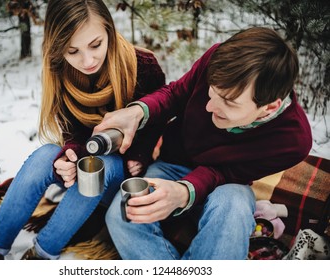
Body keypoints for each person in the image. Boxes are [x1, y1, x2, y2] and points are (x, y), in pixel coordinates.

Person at [94, 27, 313, 259]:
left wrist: (185, 191)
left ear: (268, 107)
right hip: (171, 164)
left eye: (228, 101)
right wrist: (139, 111)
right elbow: (176, 94)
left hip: (226, 185)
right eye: (212, 92)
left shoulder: (293, 141)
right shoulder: (218, 60)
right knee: (122, 214)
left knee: (234, 207)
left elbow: (227, 172)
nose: (209, 107)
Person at [0, 0, 165, 260]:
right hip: (87, 164)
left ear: (109, 30)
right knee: (45, 156)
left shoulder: (142, 65)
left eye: (95, 45)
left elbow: (158, 121)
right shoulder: (61, 71)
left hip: (125, 177)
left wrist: (139, 156)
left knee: (100, 165)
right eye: (72, 51)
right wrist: (70, 155)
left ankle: (43, 252)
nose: (87, 60)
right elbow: (71, 131)